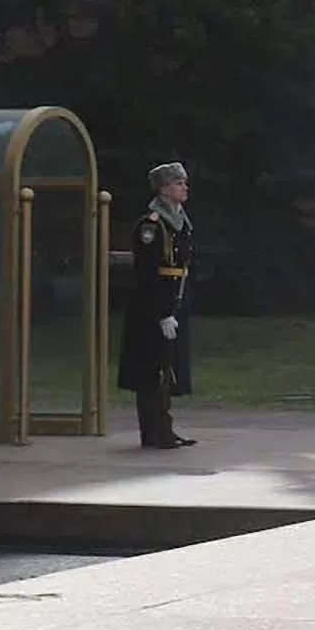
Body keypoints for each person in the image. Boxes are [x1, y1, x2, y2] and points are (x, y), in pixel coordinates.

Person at [117, 162, 197, 450]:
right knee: (152, 369)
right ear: (164, 188)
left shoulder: (179, 221)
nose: (184, 187)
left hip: (175, 300)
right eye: (178, 183)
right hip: (151, 306)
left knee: (168, 367)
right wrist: (162, 313)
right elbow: (148, 273)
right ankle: (153, 432)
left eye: (183, 182)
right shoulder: (151, 225)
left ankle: (165, 428)